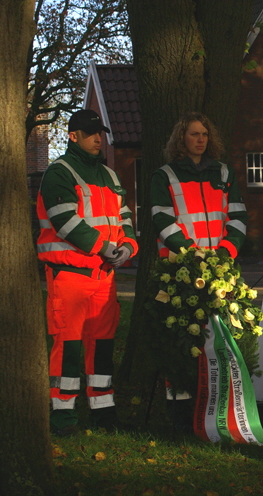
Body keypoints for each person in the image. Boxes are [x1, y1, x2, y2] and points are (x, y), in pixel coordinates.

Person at [37, 109, 138, 436]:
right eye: (91, 133)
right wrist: (105, 248)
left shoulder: (110, 175)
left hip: (103, 277)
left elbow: (124, 221)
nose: (99, 139)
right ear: (73, 136)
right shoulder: (59, 172)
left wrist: (128, 247)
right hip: (69, 276)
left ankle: (103, 412)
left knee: (103, 346)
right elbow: (64, 221)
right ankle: (63, 418)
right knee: (67, 347)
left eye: (100, 133)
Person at [150, 112, 248, 430]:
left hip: (218, 270)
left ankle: (217, 408)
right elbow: (163, 219)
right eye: (194, 134)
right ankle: (179, 414)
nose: (200, 139)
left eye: (205, 134)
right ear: (182, 139)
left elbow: (237, 216)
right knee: (179, 341)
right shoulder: (164, 175)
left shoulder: (223, 172)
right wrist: (193, 257)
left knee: (217, 338)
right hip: (180, 271)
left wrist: (223, 255)